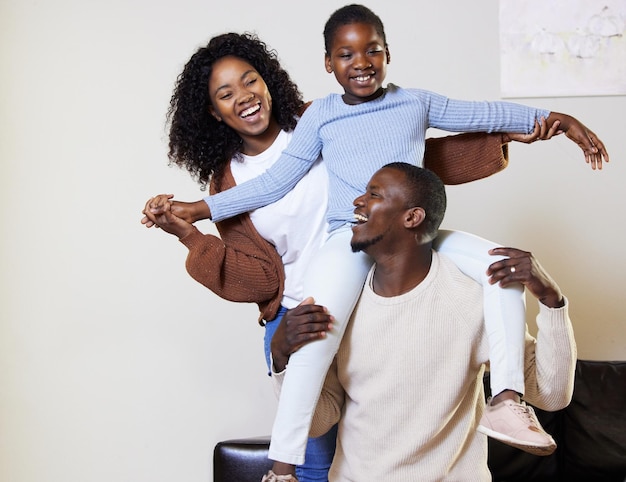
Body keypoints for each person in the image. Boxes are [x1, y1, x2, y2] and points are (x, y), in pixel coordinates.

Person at [146, 5, 607, 479]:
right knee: (316, 340)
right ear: (329, 63)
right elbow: (275, 184)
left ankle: (508, 400)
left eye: (372, 50)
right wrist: (196, 214)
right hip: (345, 244)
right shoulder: (321, 118)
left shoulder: (410, 103)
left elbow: (478, 118)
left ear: (388, 54)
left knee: (501, 266)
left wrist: (554, 120)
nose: (360, 61)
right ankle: (281, 468)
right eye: (346, 54)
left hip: (415, 233)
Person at [269, 163, 577, 481]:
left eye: (373, 194)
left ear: (412, 217)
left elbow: (552, 395)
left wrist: (551, 300)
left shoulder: (469, 299)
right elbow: (321, 419)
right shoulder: (342, 301)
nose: (357, 202)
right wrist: (280, 358)